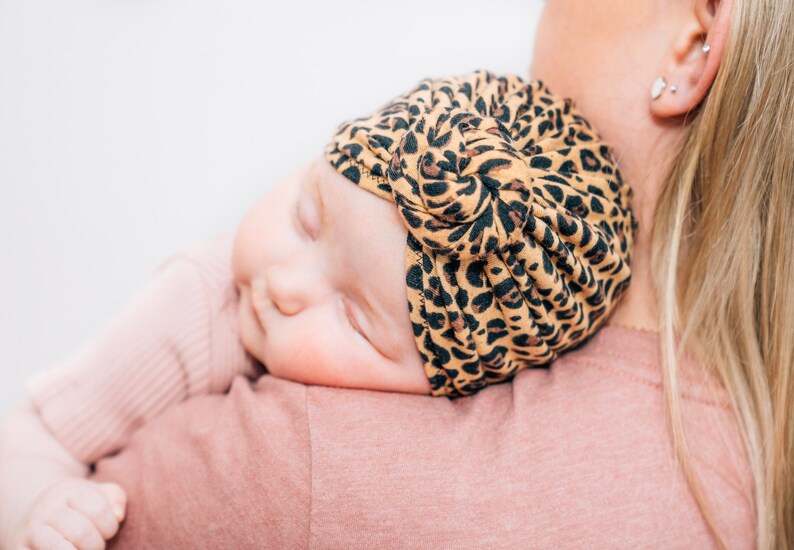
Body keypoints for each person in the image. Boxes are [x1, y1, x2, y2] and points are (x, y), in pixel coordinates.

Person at [2, 0, 792, 547]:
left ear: (694, 42)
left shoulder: (302, 462)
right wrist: (35, 499)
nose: (284, 283)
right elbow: (38, 433)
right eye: (309, 217)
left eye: (354, 316)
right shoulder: (750, 477)